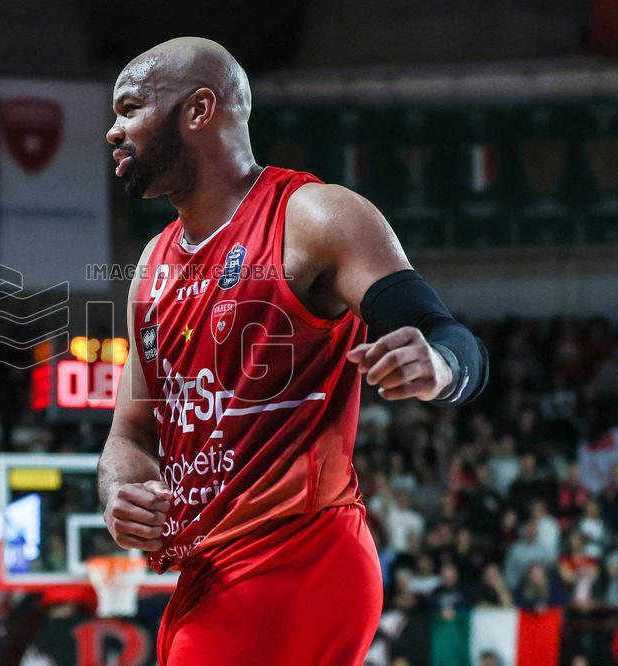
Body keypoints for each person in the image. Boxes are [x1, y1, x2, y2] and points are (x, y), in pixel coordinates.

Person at [97, 37, 489, 665]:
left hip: (299, 554)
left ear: (198, 110)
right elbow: (130, 434)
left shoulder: (314, 217)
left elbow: (448, 336)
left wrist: (437, 367)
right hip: (210, 571)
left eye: (130, 108)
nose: (114, 131)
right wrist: (121, 492)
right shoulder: (152, 264)